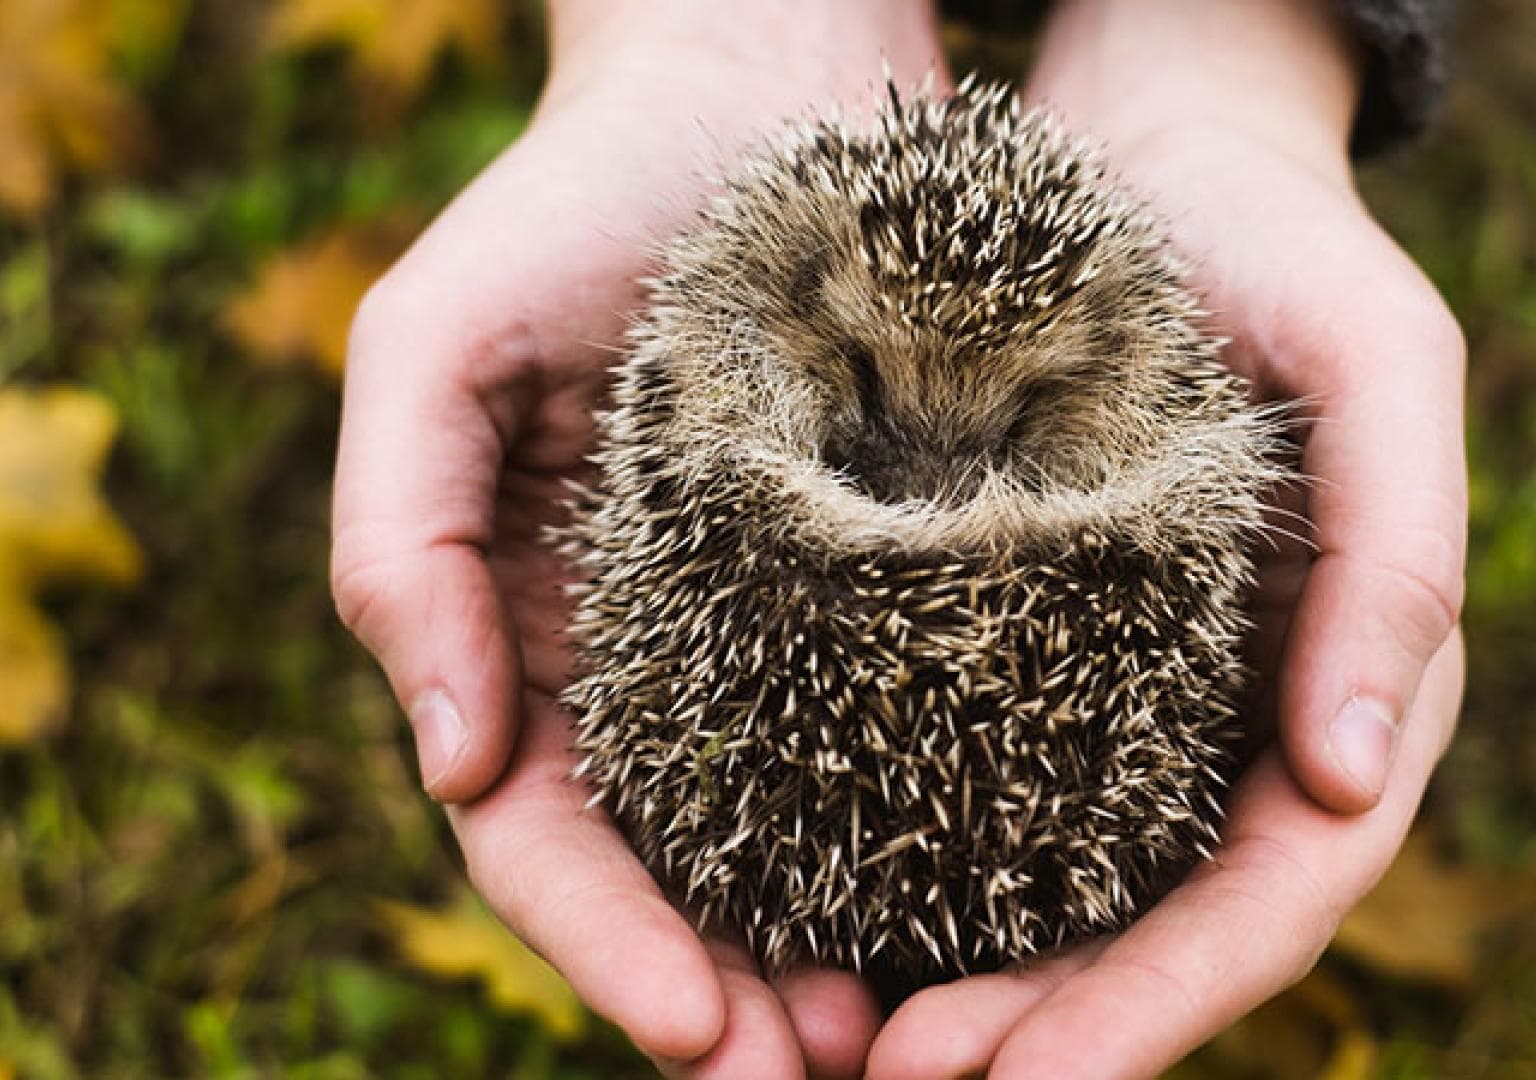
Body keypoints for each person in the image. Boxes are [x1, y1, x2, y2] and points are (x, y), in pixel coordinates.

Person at [328, 1, 1467, 1076]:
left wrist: (1241, 51)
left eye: (1011, 416)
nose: (928, 471)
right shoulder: (757, 296)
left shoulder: (1136, 357)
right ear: (812, 298)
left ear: (1081, 371)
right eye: (873, 380)